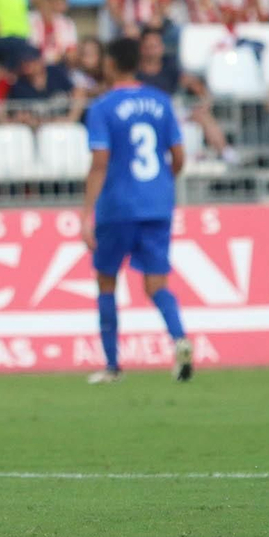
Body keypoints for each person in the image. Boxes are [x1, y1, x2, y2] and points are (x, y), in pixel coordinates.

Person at [81, 37, 192, 385]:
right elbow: (179, 156)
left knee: (106, 280)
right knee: (157, 283)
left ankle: (113, 366)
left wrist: (87, 213)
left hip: (118, 206)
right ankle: (181, 341)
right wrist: (161, 183)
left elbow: (100, 162)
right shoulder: (161, 101)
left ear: (111, 64)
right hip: (158, 204)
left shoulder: (102, 107)